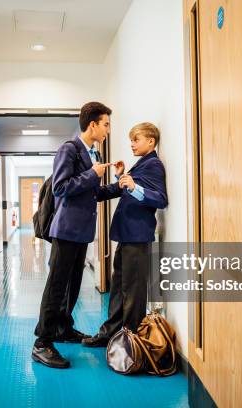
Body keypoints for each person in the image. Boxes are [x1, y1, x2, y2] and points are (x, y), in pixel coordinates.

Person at [32, 102, 113, 369]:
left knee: (73, 286)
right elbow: (61, 187)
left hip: (81, 233)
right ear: (93, 124)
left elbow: (93, 193)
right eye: (106, 124)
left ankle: (63, 329)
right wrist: (92, 174)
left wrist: (120, 185)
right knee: (56, 287)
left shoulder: (94, 154)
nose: (107, 130)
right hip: (66, 231)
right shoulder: (70, 149)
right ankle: (42, 342)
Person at [82, 122, 168, 347]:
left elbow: (161, 199)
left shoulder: (154, 164)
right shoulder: (140, 164)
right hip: (127, 236)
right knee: (119, 288)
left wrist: (134, 187)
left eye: (135, 140)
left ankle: (131, 342)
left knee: (134, 293)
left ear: (151, 141)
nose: (131, 144)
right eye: (131, 140)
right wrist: (121, 176)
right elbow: (123, 188)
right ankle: (110, 333)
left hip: (138, 238)